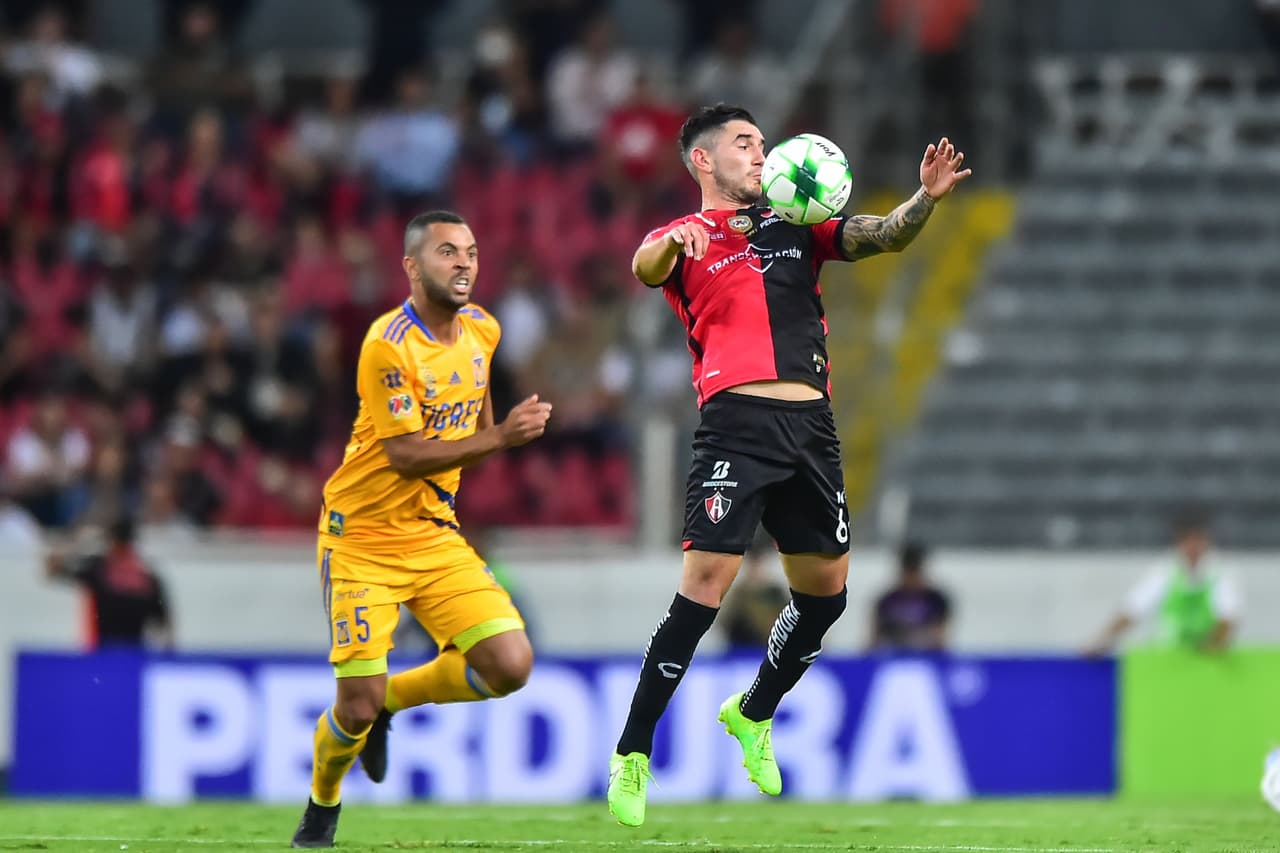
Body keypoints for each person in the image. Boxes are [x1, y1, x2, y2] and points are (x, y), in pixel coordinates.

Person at [606, 104, 970, 827]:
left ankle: (753, 711)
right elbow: (647, 266)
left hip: (810, 425)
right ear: (704, 161)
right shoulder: (688, 236)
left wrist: (923, 199)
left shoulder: (796, 221)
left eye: (762, 142)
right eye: (745, 143)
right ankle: (633, 750)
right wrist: (670, 243)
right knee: (705, 588)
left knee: (827, 595)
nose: (760, 153)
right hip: (736, 426)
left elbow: (880, 236)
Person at [291, 211, 554, 848]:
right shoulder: (388, 343)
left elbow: (476, 433)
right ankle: (322, 807)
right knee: (352, 705)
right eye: (446, 252)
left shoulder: (484, 330)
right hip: (362, 539)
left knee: (510, 664)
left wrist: (497, 435)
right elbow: (407, 453)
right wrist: (500, 436)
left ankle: (391, 702)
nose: (464, 263)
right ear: (412, 267)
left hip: (433, 534)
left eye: (470, 251)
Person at [1086, 516, 1240, 656]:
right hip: (1167, 658)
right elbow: (1132, 610)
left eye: (1198, 540)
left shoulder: (1222, 575)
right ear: (1178, 542)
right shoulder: (1163, 573)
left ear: (1207, 541)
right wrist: (1103, 640)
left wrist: (1210, 646)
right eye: (1187, 540)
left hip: (1208, 657)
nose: (1193, 546)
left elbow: (1227, 618)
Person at [45, 517, 173, 650]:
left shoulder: (99, 570)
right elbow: (165, 627)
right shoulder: (147, 577)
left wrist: (80, 543)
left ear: (112, 542)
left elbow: (52, 569)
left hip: (104, 655)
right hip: (133, 657)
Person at [867, 542, 952, 653]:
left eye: (914, 572)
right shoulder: (887, 601)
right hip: (893, 657)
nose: (911, 578)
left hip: (926, 658)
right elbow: (874, 640)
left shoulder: (936, 600)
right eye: (908, 572)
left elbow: (939, 638)